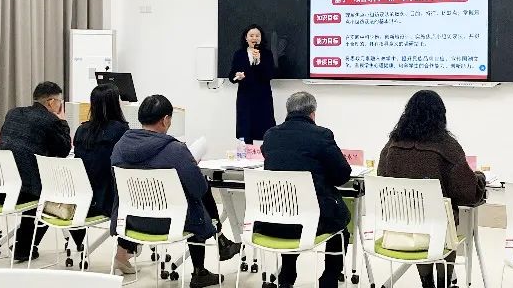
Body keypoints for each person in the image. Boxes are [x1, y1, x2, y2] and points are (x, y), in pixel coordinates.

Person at [110, 94, 240, 288]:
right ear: (165, 120)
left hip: (131, 223)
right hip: (169, 224)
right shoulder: (175, 150)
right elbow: (199, 189)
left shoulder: (120, 147)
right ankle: (200, 270)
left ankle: (218, 246)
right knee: (196, 196)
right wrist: (192, 167)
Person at [378, 90, 486, 288]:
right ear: (440, 115)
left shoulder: (392, 145)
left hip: (401, 227)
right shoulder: (448, 147)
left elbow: (382, 178)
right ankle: (444, 283)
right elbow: (466, 194)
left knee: (424, 224)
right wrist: (480, 179)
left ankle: (426, 283)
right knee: (442, 225)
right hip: (439, 230)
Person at [259, 91, 351, 288]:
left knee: (291, 212)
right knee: (341, 225)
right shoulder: (322, 135)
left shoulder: (270, 135)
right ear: (312, 113)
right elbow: (342, 175)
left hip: (274, 219)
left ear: (288, 111)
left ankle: (287, 275)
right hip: (313, 222)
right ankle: (329, 279)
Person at [0, 81, 72, 261]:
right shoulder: (50, 121)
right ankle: (24, 247)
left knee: (32, 182)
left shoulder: (13, 113)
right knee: (52, 195)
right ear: (51, 102)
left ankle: (23, 244)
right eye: (59, 101)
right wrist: (63, 121)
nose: (60, 105)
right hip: (23, 194)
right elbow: (64, 150)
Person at [70, 83, 138, 273]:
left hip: (82, 200)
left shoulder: (81, 130)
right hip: (108, 200)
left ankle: (127, 251)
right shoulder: (121, 130)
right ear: (115, 104)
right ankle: (125, 252)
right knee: (134, 197)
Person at [228, 24, 276, 144]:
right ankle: (247, 154)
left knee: (265, 129)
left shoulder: (267, 54)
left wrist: (259, 61)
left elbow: (269, 75)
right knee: (246, 129)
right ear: (246, 38)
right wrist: (237, 76)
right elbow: (231, 77)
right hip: (245, 97)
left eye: (257, 35)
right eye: (251, 35)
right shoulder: (239, 54)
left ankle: (266, 153)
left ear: (261, 38)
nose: (254, 38)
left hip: (263, 97)